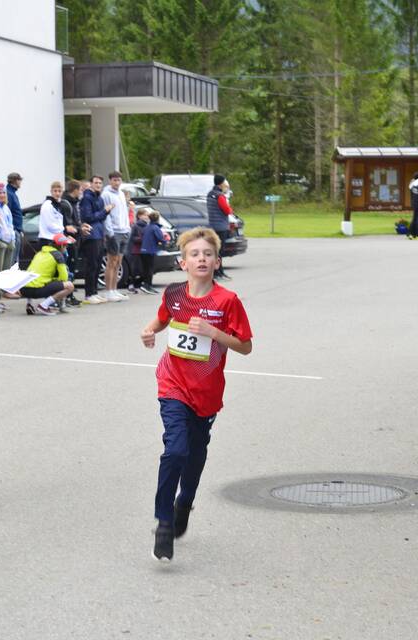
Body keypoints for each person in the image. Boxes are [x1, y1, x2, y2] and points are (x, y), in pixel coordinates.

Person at [140, 227, 253, 561]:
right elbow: (163, 319)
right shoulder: (174, 294)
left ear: (217, 262)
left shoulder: (227, 301)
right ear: (183, 262)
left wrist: (213, 332)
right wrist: (149, 330)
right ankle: (163, 522)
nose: (201, 259)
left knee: (195, 454)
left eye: (207, 254)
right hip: (172, 384)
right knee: (175, 450)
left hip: (206, 393)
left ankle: (185, 501)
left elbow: (245, 346)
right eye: (194, 254)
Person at [20, 233, 76, 315]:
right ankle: (44, 306)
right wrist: (55, 279)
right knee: (69, 285)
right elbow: (64, 277)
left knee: (34, 279)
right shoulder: (58, 255)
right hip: (37, 290)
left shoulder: (39, 253)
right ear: (61, 246)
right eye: (65, 245)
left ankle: (29, 304)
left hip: (24, 289)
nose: (66, 247)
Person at [102, 171, 131, 301]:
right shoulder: (106, 194)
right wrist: (110, 232)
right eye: (114, 180)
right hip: (114, 232)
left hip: (124, 230)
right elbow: (106, 214)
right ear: (110, 181)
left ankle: (114, 290)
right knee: (111, 262)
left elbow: (124, 212)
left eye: (119, 180)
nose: (117, 182)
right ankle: (108, 291)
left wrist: (128, 227)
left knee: (118, 262)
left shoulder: (121, 194)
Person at [79, 175, 108, 304]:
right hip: (91, 235)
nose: (98, 185)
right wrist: (104, 212)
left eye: (100, 183)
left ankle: (94, 292)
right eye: (96, 182)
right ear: (91, 184)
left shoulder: (99, 198)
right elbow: (88, 217)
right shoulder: (87, 198)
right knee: (91, 265)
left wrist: (104, 213)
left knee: (97, 264)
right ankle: (89, 293)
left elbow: (101, 217)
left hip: (100, 234)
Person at [60, 180, 87, 307]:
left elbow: (74, 222)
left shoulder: (74, 202)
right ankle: (65, 296)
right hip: (68, 241)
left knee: (72, 269)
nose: (81, 192)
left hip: (75, 239)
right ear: (75, 190)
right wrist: (79, 229)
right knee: (68, 269)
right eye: (80, 190)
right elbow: (67, 225)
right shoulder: (66, 203)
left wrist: (81, 226)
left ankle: (69, 295)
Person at [206, 174, 233, 279]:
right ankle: (218, 272)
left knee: (216, 250)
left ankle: (219, 271)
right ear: (221, 183)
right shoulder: (220, 196)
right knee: (219, 251)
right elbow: (227, 210)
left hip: (213, 226)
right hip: (221, 227)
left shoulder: (210, 194)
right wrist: (229, 205)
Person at [38, 181, 75, 246]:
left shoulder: (58, 205)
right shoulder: (47, 205)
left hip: (56, 239)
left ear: (62, 192)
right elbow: (51, 226)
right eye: (55, 191)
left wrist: (66, 237)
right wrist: (66, 229)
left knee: (72, 244)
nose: (57, 193)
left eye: (59, 191)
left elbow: (58, 225)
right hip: (48, 240)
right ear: (51, 191)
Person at [138, 210, 166, 294]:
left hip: (143, 250)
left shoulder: (147, 227)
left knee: (146, 269)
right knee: (150, 269)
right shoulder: (155, 228)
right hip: (150, 250)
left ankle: (145, 285)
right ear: (157, 219)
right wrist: (165, 242)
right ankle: (148, 286)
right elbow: (160, 238)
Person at [6, 172, 25, 260]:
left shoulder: (12, 193)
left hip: (16, 230)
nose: (20, 182)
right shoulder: (9, 194)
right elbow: (7, 213)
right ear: (15, 181)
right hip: (13, 231)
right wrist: (13, 229)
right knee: (13, 260)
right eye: (19, 180)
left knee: (15, 259)